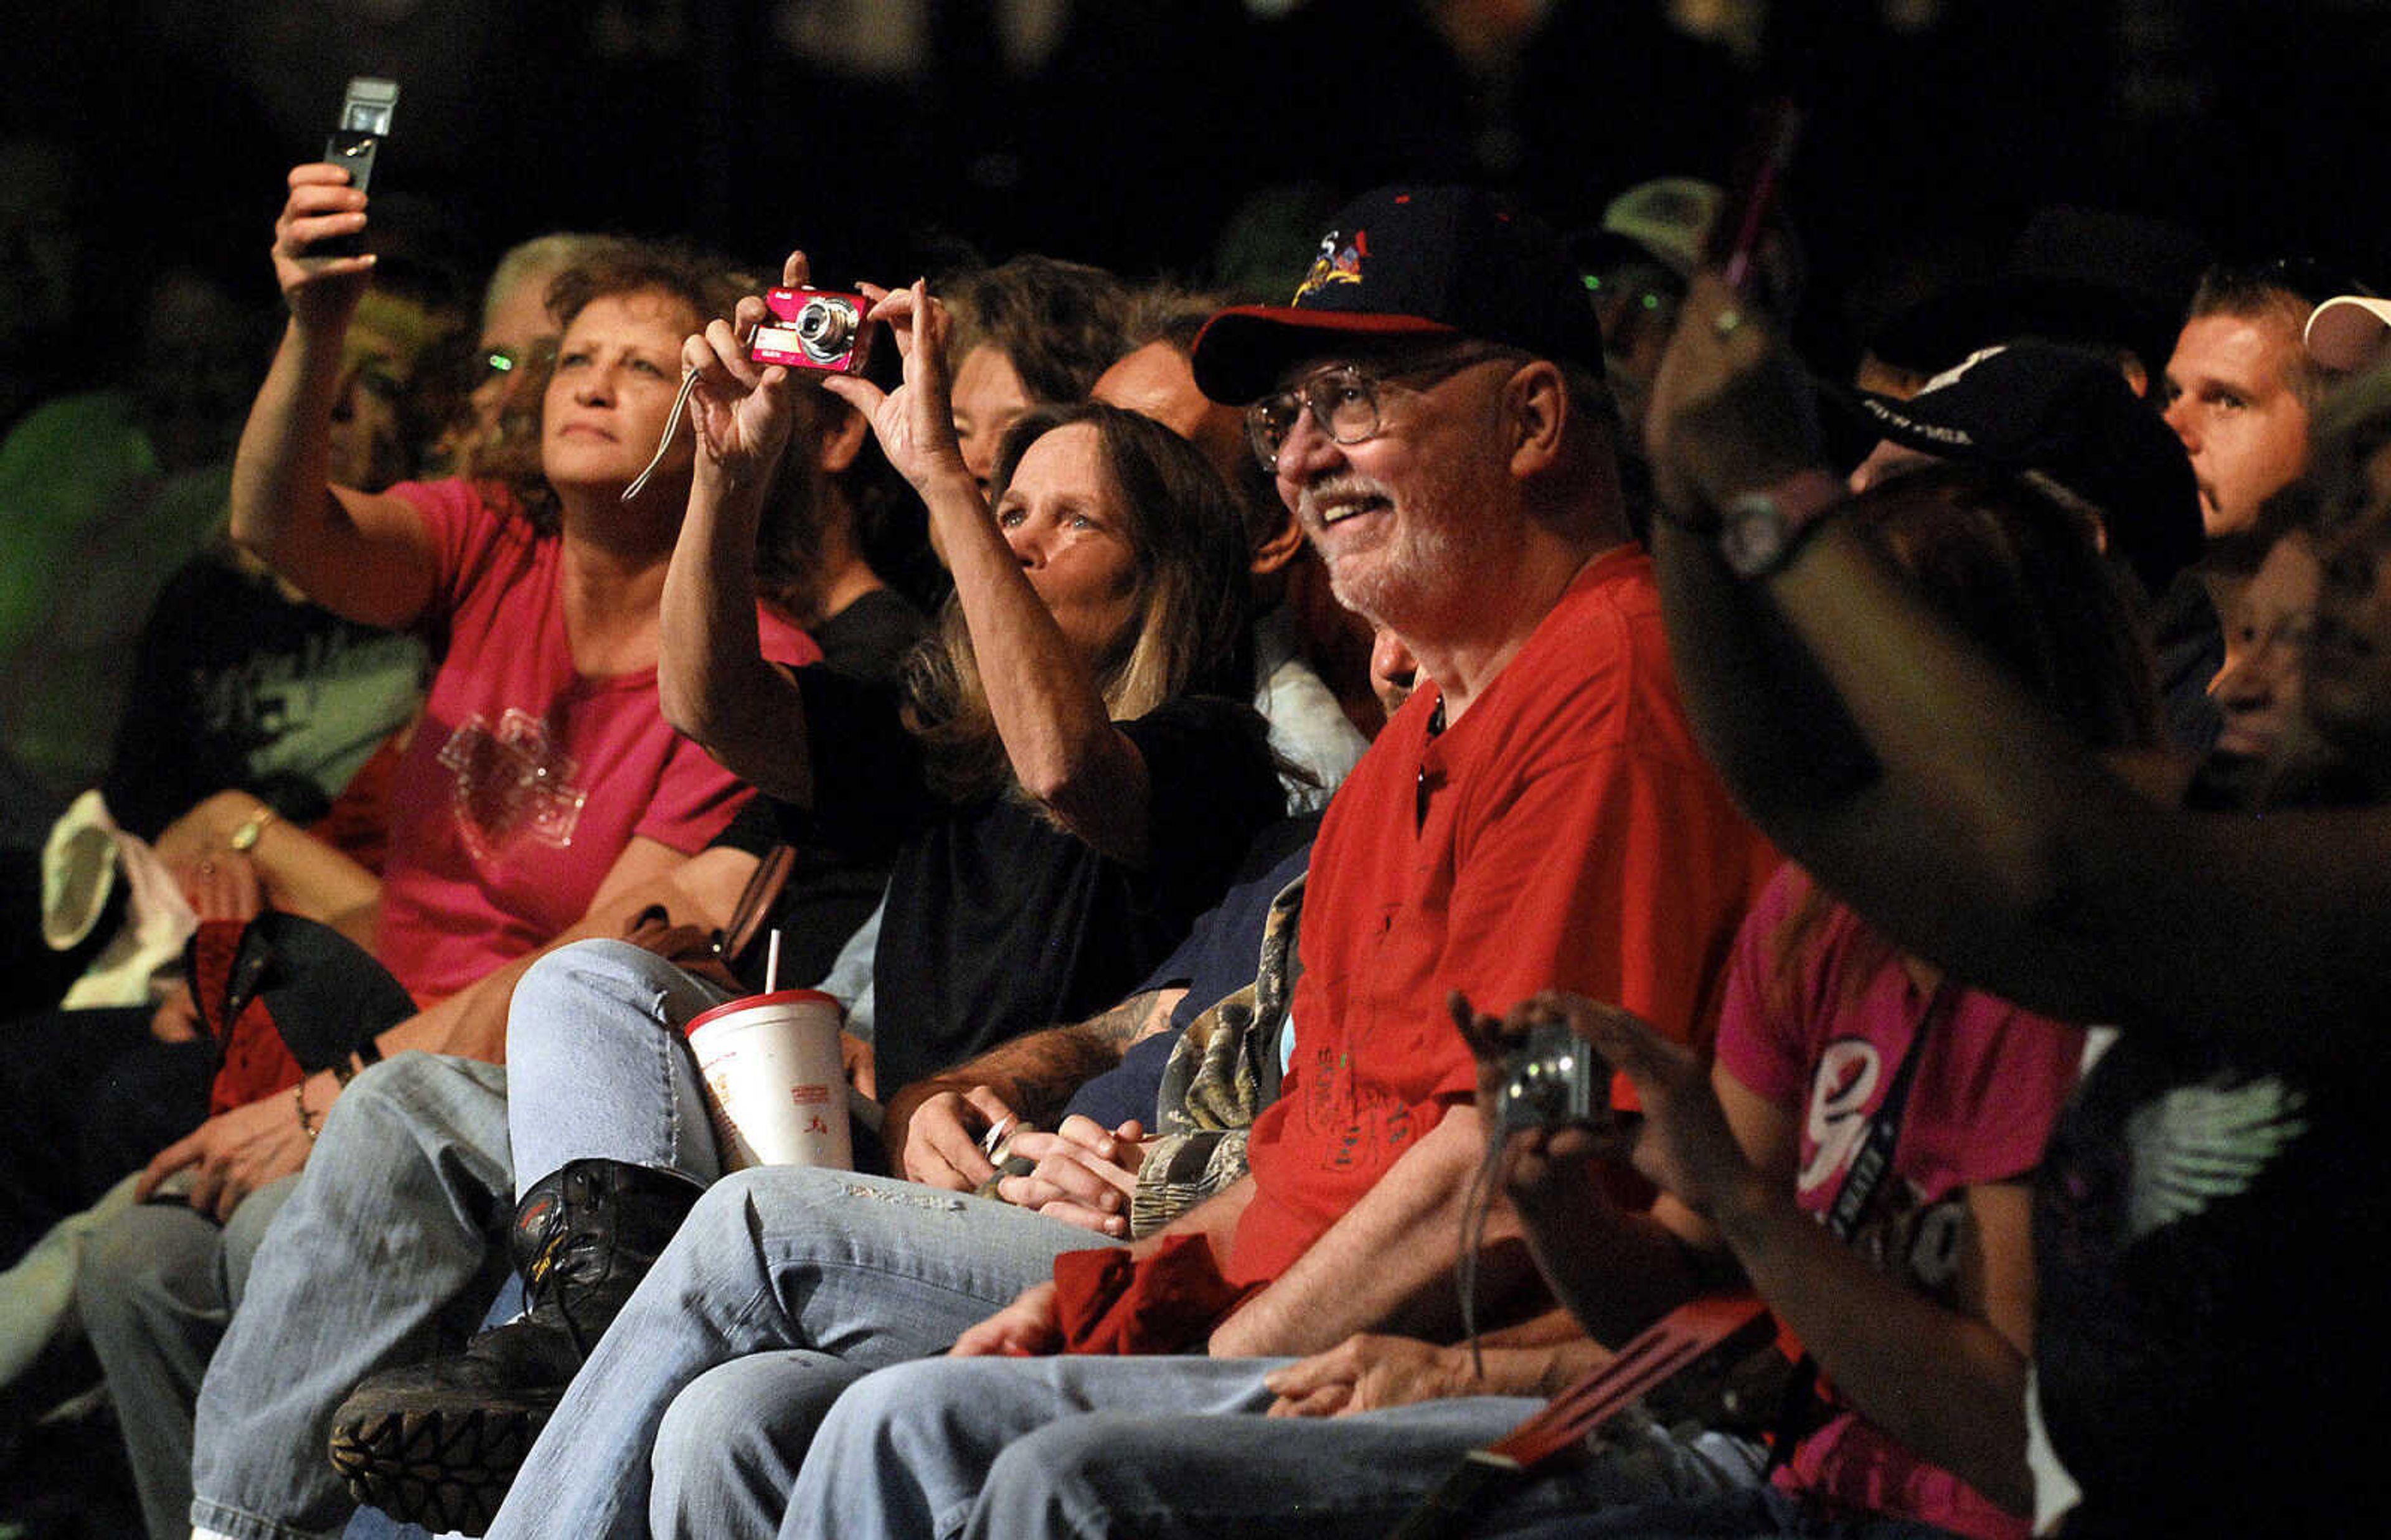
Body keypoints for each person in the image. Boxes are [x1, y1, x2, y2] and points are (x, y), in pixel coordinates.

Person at [467, 184, 1775, 1540]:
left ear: (1534, 420)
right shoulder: (1401, 748)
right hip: (1194, 1246)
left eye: (1355, 398)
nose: (1309, 454)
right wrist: (1104, 1306)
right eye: (1287, 419)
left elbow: (1491, 1162)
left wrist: (1182, 1360)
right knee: (734, 1397)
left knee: (820, 1309)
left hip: (1442, 1342)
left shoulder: (1482, 711)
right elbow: (1304, 1152)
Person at [787, 462, 2149, 1540]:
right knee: (850, 1414)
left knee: (1063, 1482)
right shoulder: (1816, 925)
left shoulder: (2043, 987)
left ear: (1960, 699)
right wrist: (1557, 1191)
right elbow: (1679, 1281)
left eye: (1834, 663)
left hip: (1869, 1498)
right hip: (1750, 1443)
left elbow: (1999, 1432)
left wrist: (1463, 1366)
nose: (1776, 705)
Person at [268, 247, 1280, 1534]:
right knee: (591, 981)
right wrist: (730, 481)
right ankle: (589, 1312)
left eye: (1063, 520)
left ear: (1164, 581)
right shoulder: (947, 756)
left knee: (707, 1358)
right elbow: (711, 703)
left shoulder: (1207, 750)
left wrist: (946, 488)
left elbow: (1072, 766)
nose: (1013, 536)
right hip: (849, 1157)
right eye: (1005, 507)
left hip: (995, 1201)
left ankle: (577, 1349)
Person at [69, 164, 818, 1540]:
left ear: (719, 413)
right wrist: (315, 325)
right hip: (373, 1027)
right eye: (572, 358)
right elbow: (273, 528)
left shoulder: (748, 667)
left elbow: (577, 976)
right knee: (134, 1260)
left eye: (642, 366)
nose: (588, 384)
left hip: (491, 1096)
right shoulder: (494, 544)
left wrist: (321, 1106)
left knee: (220, 1239)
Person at [1636, 266, 2391, 1537]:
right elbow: (1798, 783)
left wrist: (1782, 494)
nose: (2338, 566)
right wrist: (1688, 486)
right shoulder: (2247, 817)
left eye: (2378, 540)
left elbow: (2059, 860)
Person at [1092, 284, 1374, 809]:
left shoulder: (1307, 773)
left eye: (1146, 468)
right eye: (1081, 438)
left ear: (1271, 532)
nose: (1080, 489)